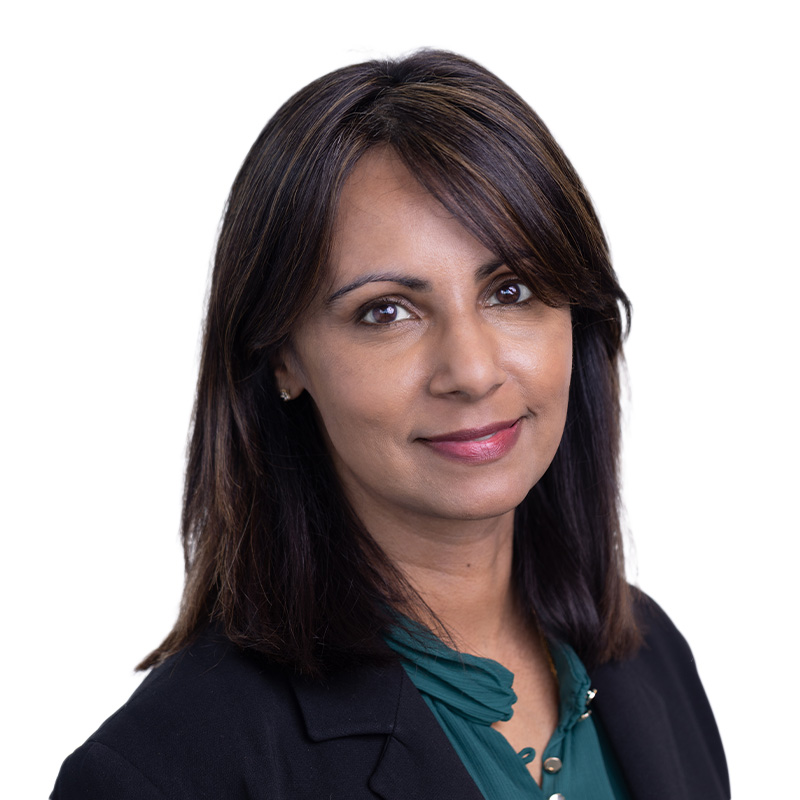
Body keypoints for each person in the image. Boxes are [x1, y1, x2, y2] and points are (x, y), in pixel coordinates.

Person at [51, 50, 729, 800]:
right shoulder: (162, 772)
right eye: (386, 312)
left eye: (511, 290)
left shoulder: (651, 659)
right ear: (283, 358)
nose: (471, 370)